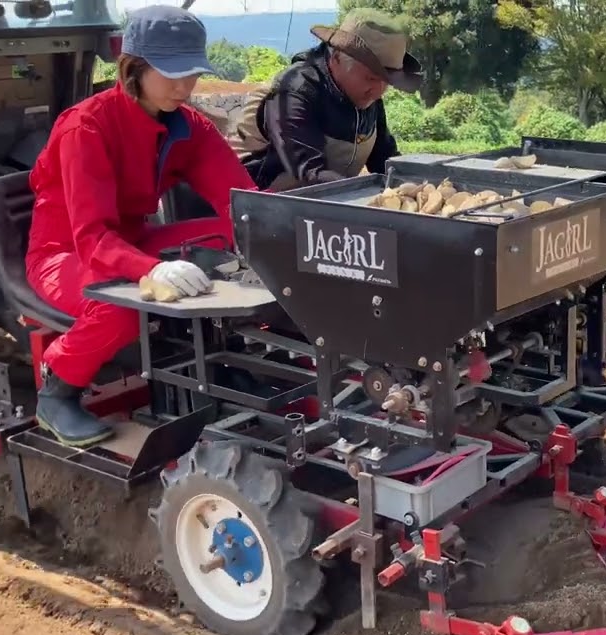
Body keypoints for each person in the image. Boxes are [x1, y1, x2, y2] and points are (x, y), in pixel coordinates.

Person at [25, 4, 258, 447]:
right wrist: (148, 270)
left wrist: (286, 233)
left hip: (133, 240)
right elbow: (91, 237)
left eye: (191, 74)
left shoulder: (187, 125)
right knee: (126, 306)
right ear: (133, 68)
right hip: (66, 252)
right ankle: (56, 390)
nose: (184, 87)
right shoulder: (85, 128)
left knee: (233, 234)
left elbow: (241, 201)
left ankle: (228, 366)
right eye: (170, 74)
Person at [231, 9, 424, 191]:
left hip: (328, 200)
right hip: (259, 204)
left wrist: (419, 185)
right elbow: (311, 172)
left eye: (386, 82)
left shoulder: (369, 96)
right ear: (337, 58)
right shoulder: (295, 91)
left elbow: (384, 160)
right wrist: (365, 198)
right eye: (371, 78)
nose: (379, 91)